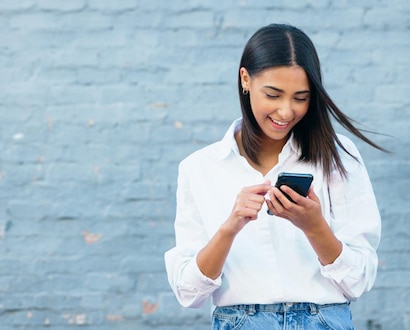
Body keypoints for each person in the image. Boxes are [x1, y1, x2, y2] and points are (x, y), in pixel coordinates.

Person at [164, 23, 387, 329]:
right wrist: (229, 228)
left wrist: (314, 226)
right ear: (246, 80)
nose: (286, 111)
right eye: (273, 94)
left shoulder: (337, 155)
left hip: (323, 320)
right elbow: (188, 293)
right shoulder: (200, 168)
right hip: (239, 322)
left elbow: (358, 281)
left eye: (300, 98)